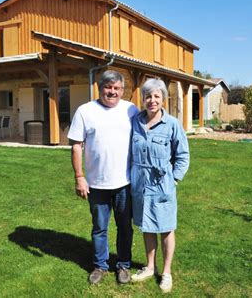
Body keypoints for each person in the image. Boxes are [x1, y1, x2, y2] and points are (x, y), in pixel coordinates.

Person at [67, 70, 139, 284]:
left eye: (117, 88)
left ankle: (124, 265)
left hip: (124, 183)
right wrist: (80, 176)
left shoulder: (131, 110)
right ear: (99, 88)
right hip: (96, 184)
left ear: (122, 90)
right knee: (100, 227)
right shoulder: (85, 111)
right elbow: (76, 147)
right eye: (108, 87)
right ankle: (100, 265)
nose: (112, 92)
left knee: (125, 227)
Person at [129, 78, 190, 293]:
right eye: (148, 96)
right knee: (146, 226)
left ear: (163, 99)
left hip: (162, 185)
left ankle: (166, 272)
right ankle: (149, 267)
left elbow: (182, 156)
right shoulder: (135, 122)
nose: (152, 100)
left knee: (165, 228)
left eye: (156, 96)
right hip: (139, 185)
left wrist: (174, 179)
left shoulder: (172, 124)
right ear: (143, 99)